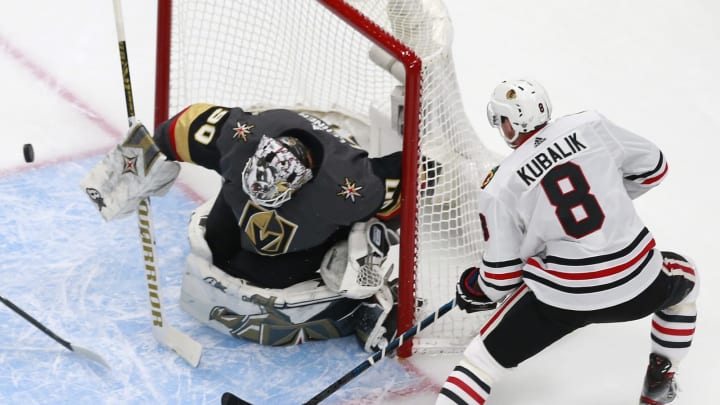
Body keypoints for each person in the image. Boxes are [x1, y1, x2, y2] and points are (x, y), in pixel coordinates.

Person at [436, 79, 698, 405]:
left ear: (510, 123)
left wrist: (475, 288)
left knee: (479, 362)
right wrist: (610, 197)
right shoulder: (589, 125)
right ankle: (660, 380)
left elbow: (500, 278)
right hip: (638, 283)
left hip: (564, 299)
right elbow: (654, 168)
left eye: (501, 119)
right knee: (687, 278)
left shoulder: (500, 183)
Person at [81, 105, 404, 353]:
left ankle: (371, 297)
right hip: (231, 231)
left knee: (361, 243)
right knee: (217, 245)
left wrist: (365, 242)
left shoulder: (351, 187)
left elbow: (410, 179)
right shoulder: (240, 136)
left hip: (290, 261)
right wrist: (129, 170)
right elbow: (176, 131)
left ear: (300, 184)